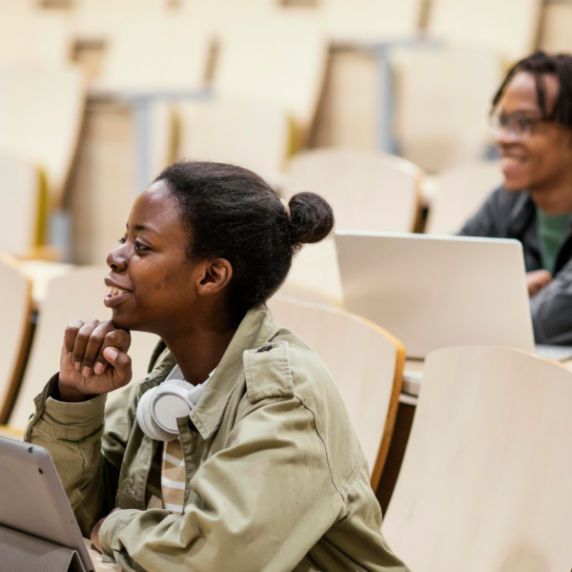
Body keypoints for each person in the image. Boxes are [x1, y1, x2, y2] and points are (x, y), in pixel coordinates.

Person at [25, 161, 409, 572]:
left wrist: (115, 528)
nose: (115, 257)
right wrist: (75, 402)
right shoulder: (165, 377)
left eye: (141, 246)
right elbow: (59, 516)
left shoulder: (284, 396)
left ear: (210, 276)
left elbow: (213, 558)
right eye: (124, 238)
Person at [459, 51, 572, 345]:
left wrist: (492, 296)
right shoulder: (508, 200)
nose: (503, 138)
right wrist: (506, 295)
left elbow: (538, 324)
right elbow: (440, 275)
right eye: (503, 121)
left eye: (523, 123)